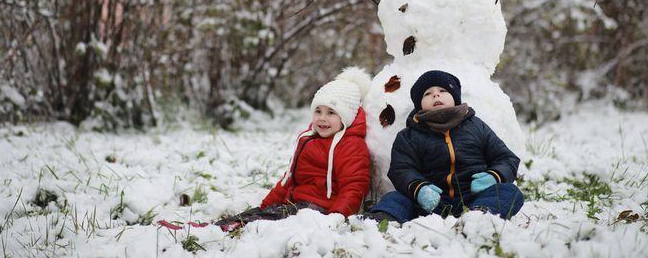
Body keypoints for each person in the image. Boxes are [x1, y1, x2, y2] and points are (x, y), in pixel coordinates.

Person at [209, 67, 372, 231]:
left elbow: (354, 187)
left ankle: (232, 228)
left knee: (260, 223)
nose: (322, 118)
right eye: (318, 111)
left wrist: (336, 217)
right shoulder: (307, 139)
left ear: (346, 117)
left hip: (319, 211)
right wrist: (265, 205)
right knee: (256, 215)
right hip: (294, 203)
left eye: (331, 112)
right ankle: (213, 229)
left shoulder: (351, 146)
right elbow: (289, 179)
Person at [368, 70, 524, 223]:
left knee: (510, 192)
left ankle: (479, 217)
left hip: (474, 197)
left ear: (455, 97)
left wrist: (494, 176)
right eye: (427, 93)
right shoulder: (409, 136)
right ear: (419, 104)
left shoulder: (476, 127)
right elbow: (401, 169)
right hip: (431, 202)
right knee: (395, 198)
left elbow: (506, 157)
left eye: (443, 90)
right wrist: (419, 188)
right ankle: (382, 219)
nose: (435, 95)